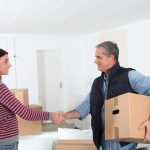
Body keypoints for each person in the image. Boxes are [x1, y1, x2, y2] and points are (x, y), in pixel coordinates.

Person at [62, 41, 150, 150]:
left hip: (124, 143)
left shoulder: (129, 75)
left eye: (99, 57)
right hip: (104, 141)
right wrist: (64, 116)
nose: (95, 61)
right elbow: (85, 106)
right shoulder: (97, 83)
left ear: (111, 58)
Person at [0, 48, 64, 150]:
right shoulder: (1, 88)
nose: (10, 65)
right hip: (5, 144)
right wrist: (52, 115)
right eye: (5, 61)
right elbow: (25, 113)